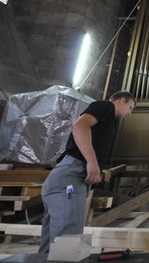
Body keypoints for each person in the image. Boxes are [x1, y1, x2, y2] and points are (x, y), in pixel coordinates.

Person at [39, 91, 136, 254]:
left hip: (69, 180)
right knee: (69, 230)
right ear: (121, 101)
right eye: (130, 107)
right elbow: (79, 126)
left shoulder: (109, 122)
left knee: (55, 238)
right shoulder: (106, 107)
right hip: (69, 182)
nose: (129, 113)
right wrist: (92, 161)